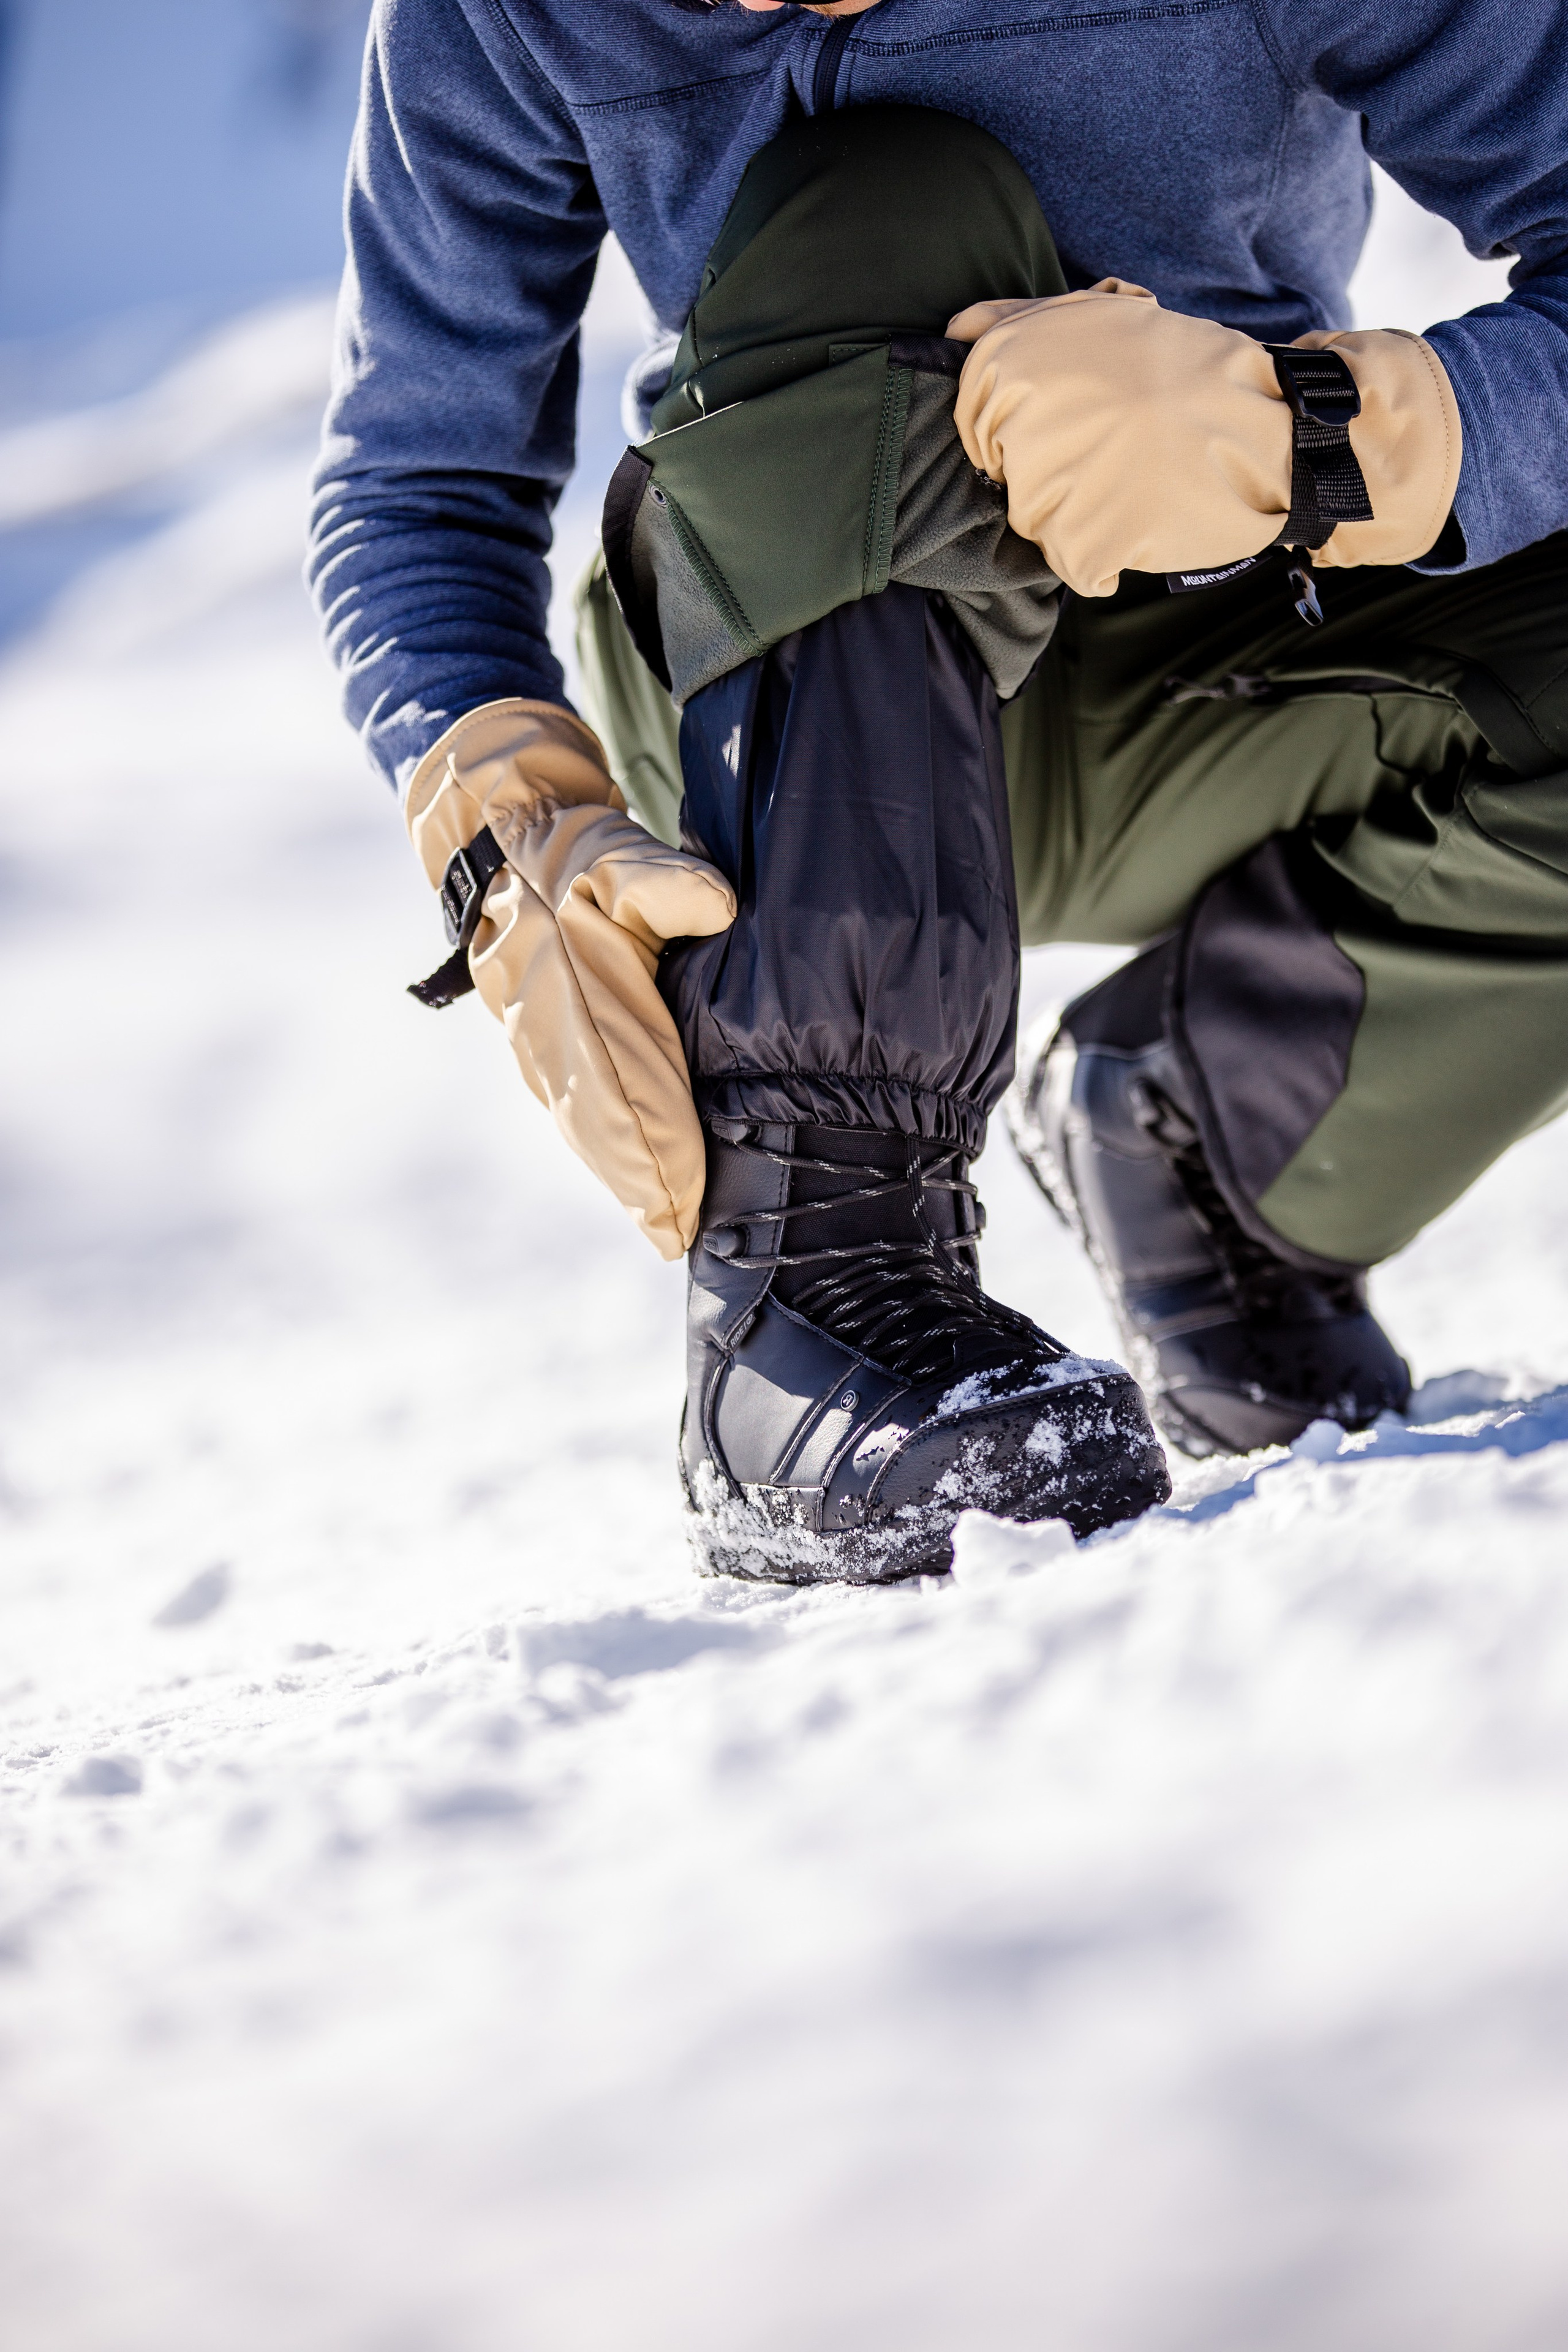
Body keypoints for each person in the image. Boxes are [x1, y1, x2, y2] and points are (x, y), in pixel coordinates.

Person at [310, 0, 1568, 1582]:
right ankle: (813, 1285)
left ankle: (1218, 1138)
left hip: (1232, 633)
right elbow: (416, 479)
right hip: (772, 674)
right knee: (880, 195)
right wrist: (499, 815)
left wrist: (1321, 442)